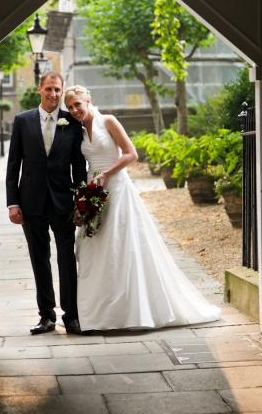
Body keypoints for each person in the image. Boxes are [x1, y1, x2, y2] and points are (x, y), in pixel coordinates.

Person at [65, 85, 221, 331]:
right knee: (92, 248)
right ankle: (98, 316)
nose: (75, 110)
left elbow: (131, 154)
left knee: (121, 247)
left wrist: (106, 173)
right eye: (70, 107)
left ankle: (131, 312)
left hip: (116, 187)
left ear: (88, 101)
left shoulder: (109, 121)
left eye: (78, 105)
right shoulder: (77, 130)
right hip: (94, 191)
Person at [6, 72, 87, 335]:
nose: (53, 94)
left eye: (58, 90)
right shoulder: (22, 121)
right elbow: (13, 164)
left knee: (66, 259)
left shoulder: (71, 123)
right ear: (39, 89)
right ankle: (46, 316)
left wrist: (81, 203)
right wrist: (12, 203)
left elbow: (79, 167)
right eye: (49, 89)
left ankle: (71, 316)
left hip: (63, 201)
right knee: (39, 258)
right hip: (31, 202)